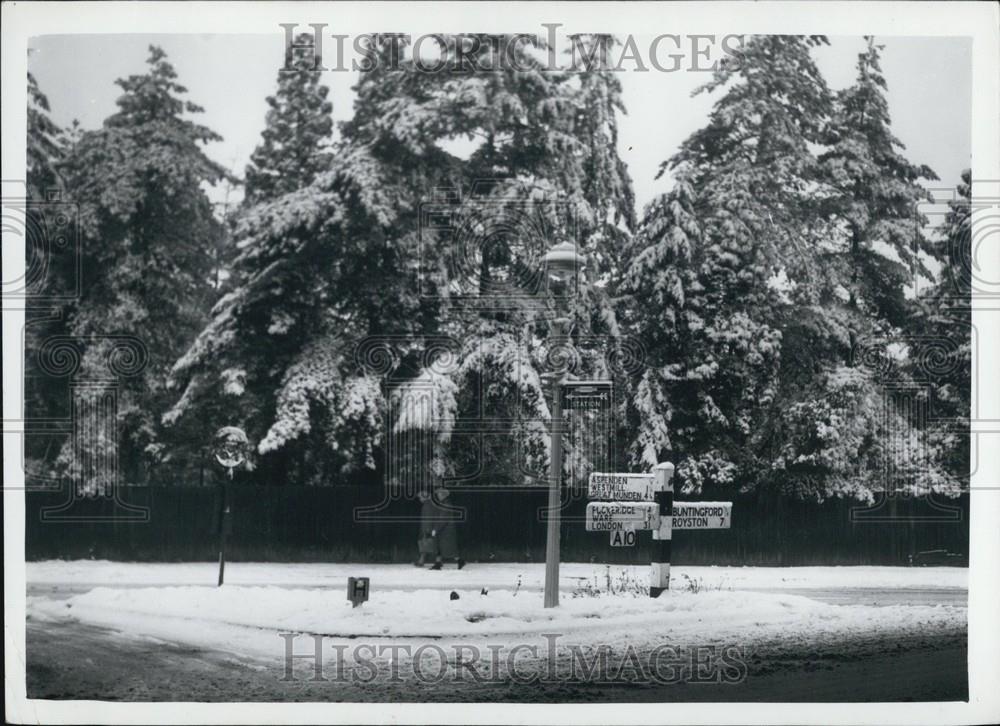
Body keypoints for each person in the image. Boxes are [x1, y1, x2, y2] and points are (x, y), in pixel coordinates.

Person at [429, 486, 465, 570]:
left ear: (443, 495)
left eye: (439, 494)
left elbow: (443, 519)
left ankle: (460, 560)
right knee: (440, 547)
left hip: (446, 530)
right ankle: (438, 564)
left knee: (448, 549)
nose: (438, 496)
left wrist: (435, 529)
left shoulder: (445, 504)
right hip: (444, 530)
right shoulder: (444, 503)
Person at [415, 490, 437, 567]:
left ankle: (421, 561)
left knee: (425, 544)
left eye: (420, 497)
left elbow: (428, 518)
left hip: (427, 528)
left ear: (424, 498)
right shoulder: (429, 504)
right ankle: (438, 561)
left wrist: (427, 529)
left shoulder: (427, 505)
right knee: (428, 544)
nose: (419, 499)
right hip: (427, 527)